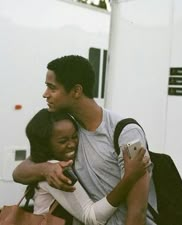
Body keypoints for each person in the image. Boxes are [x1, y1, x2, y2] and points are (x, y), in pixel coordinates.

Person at [13, 55, 157, 225]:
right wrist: (46, 168)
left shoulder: (127, 133)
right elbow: (19, 172)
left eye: (52, 88)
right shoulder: (68, 133)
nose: (45, 94)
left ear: (76, 91)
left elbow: (137, 212)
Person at [24, 108, 148, 225]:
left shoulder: (42, 164)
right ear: (45, 145)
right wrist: (129, 178)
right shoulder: (56, 172)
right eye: (63, 141)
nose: (72, 144)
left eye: (74, 137)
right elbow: (92, 217)